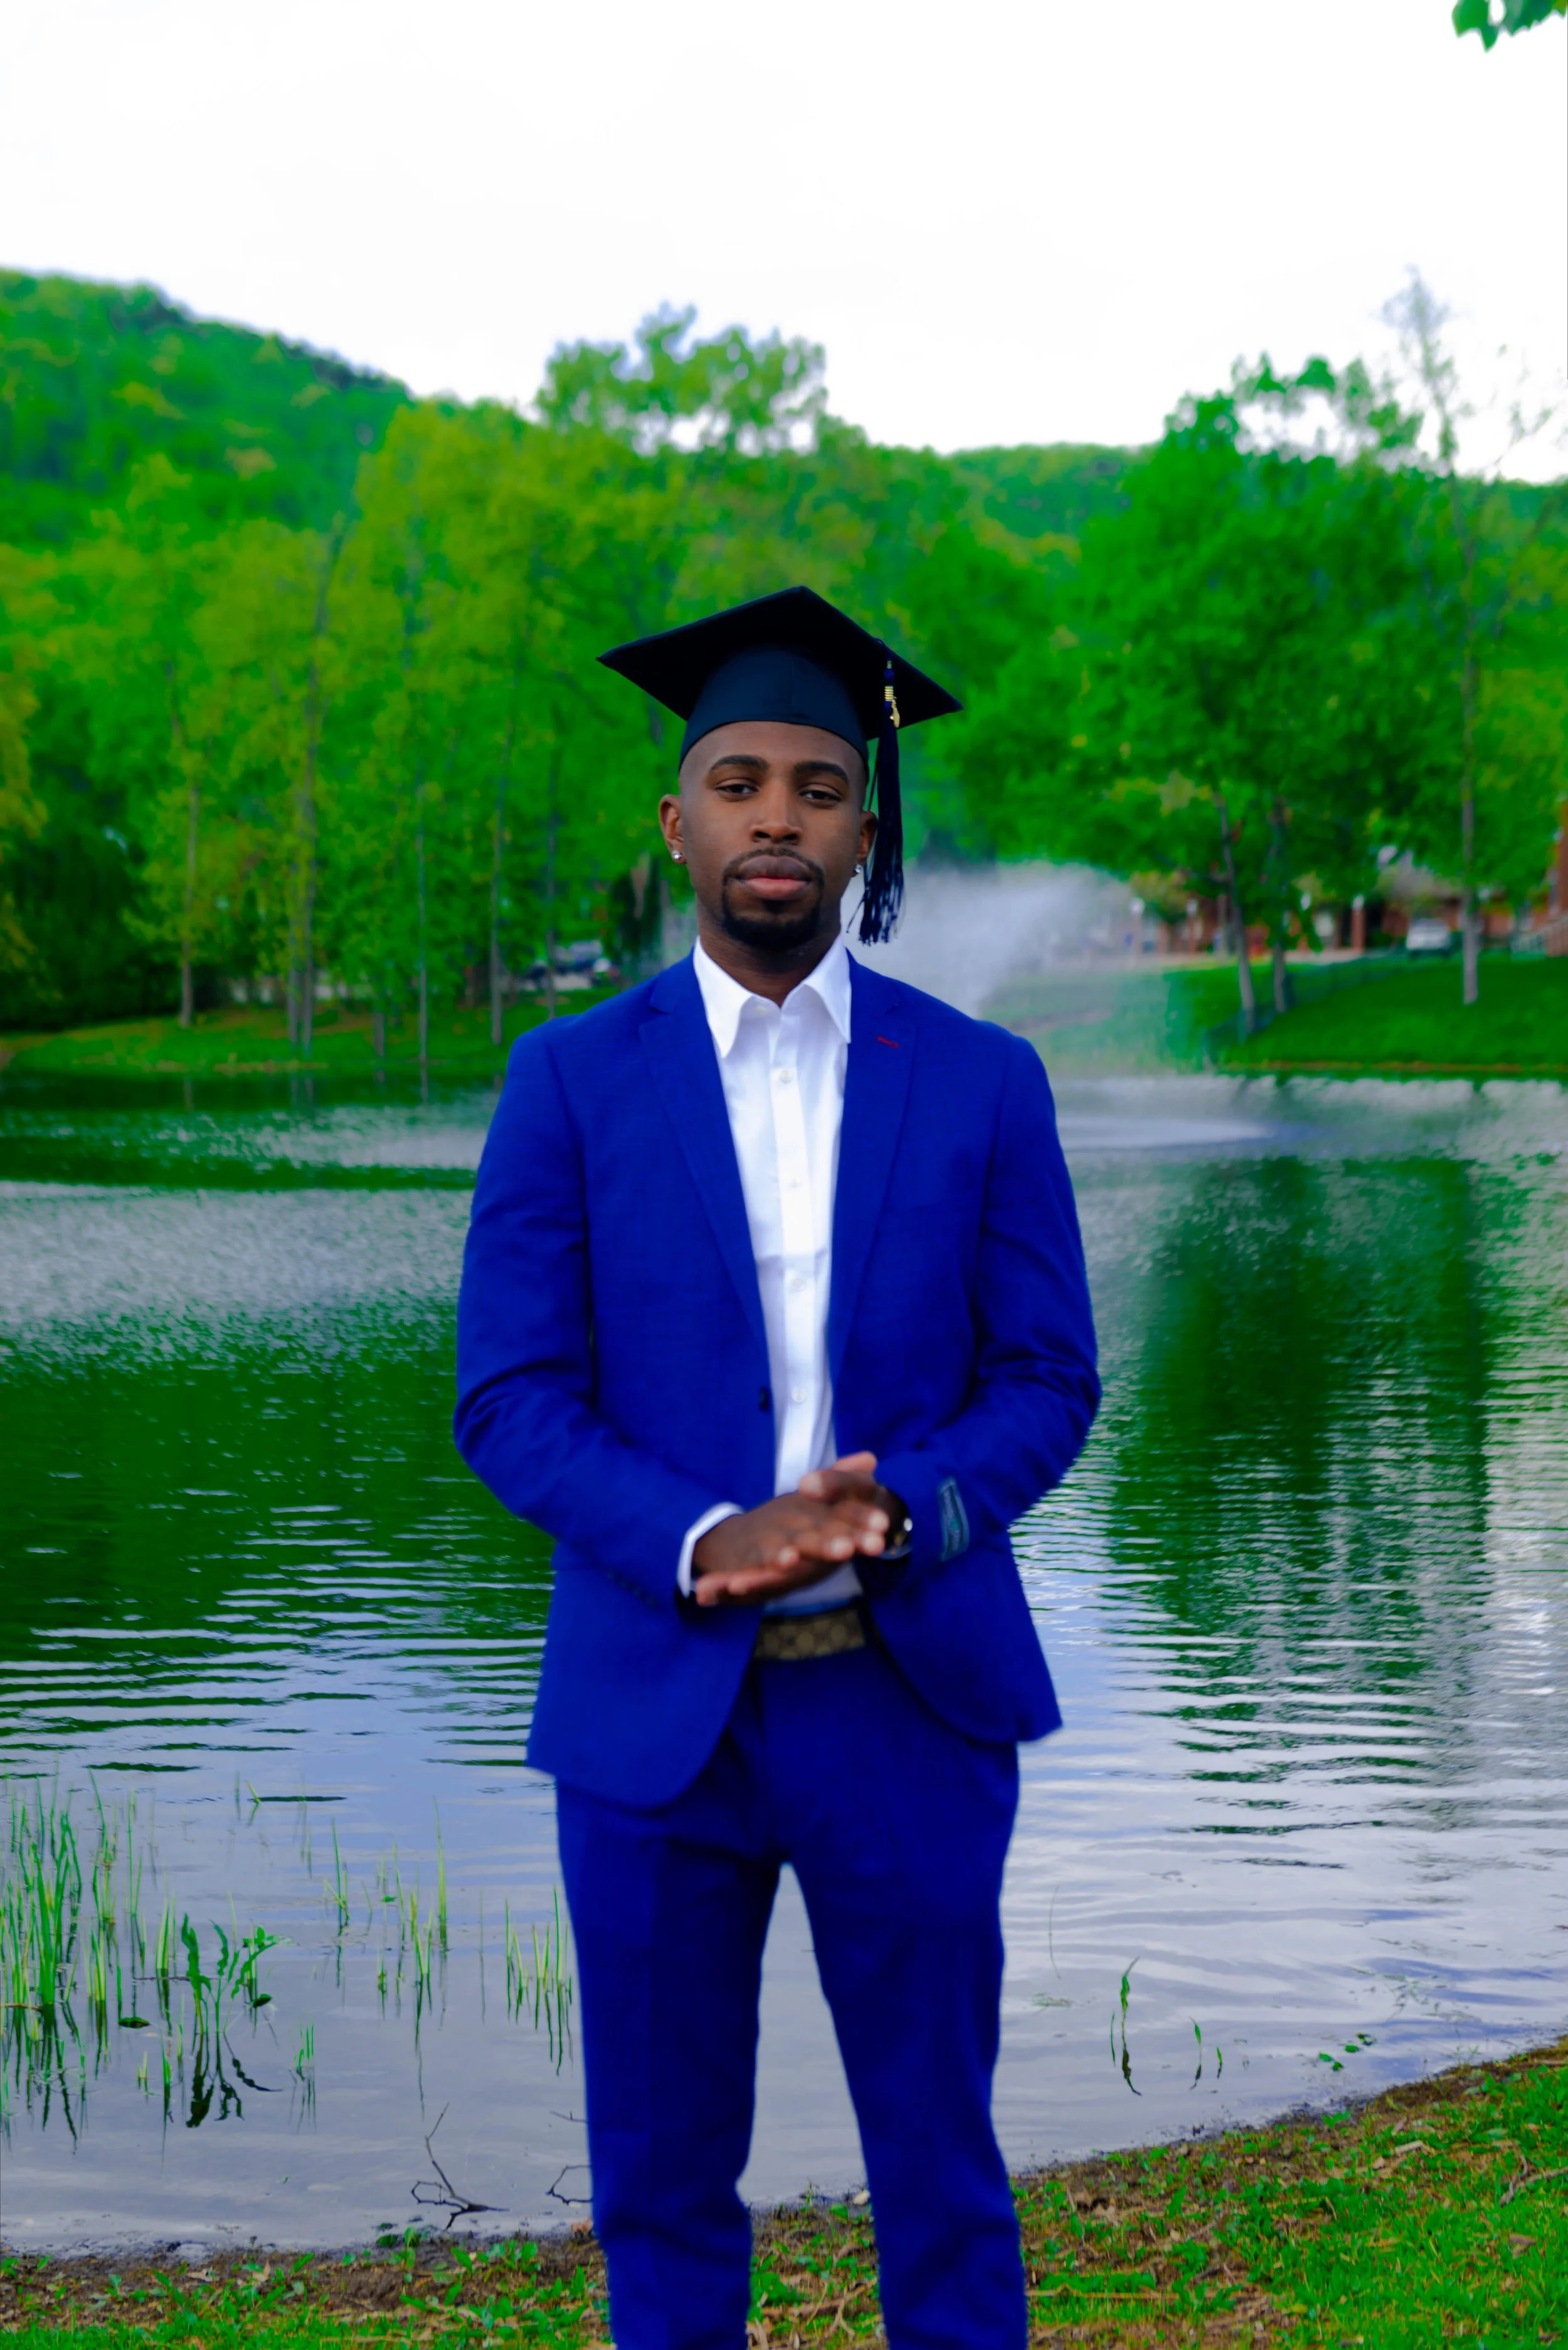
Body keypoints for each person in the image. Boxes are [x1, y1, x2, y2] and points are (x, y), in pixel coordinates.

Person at [454, 586, 1099, 2350]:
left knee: (940, 2171)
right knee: (659, 2181)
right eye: (737, 781)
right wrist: (702, 1533)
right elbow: (508, 1396)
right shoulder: (568, 1084)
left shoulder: (977, 1083)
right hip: (655, 1724)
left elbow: (1049, 1377)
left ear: (862, 827)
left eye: (817, 786)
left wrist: (909, 1506)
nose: (775, 815)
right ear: (676, 821)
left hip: (909, 1702)